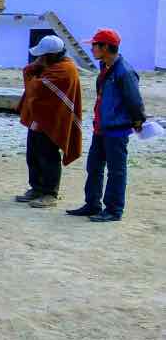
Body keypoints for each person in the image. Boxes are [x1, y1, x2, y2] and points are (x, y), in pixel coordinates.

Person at [68, 28, 146, 223]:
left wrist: (138, 121)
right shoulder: (106, 67)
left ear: (105, 47)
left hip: (116, 130)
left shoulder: (124, 72)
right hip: (102, 127)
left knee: (116, 171)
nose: (92, 49)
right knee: (94, 167)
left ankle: (113, 210)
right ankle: (92, 204)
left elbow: (134, 101)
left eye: (94, 45)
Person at [16, 35, 83, 209]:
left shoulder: (66, 69)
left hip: (53, 120)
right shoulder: (49, 66)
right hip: (38, 118)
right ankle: (37, 188)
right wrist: (34, 68)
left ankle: (50, 193)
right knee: (33, 154)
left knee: (48, 156)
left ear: (51, 55)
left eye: (42, 56)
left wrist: (33, 71)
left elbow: (36, 88)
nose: (39, 59)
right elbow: (31, 78)